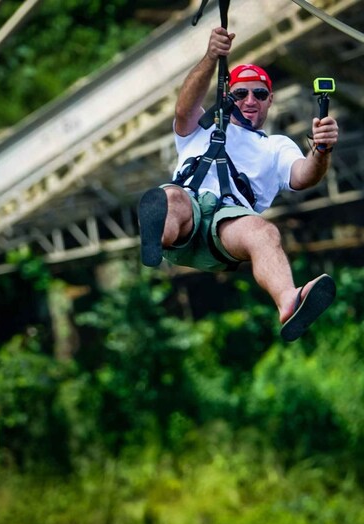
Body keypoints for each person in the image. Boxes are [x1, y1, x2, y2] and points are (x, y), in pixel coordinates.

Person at [138, 26, 340, 342]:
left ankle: (289, 301)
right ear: (227, 96)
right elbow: (183, 108)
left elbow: (305, 175)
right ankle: (158, 236)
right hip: (187, 210)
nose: (249, 100)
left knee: (265, 231)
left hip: (227, 225)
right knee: (172, 198)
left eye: (259, 94)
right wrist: (210, 57)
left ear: (270, 99)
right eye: (240, 93)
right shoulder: (200, 126)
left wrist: (322, 149)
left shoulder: (276, 146)